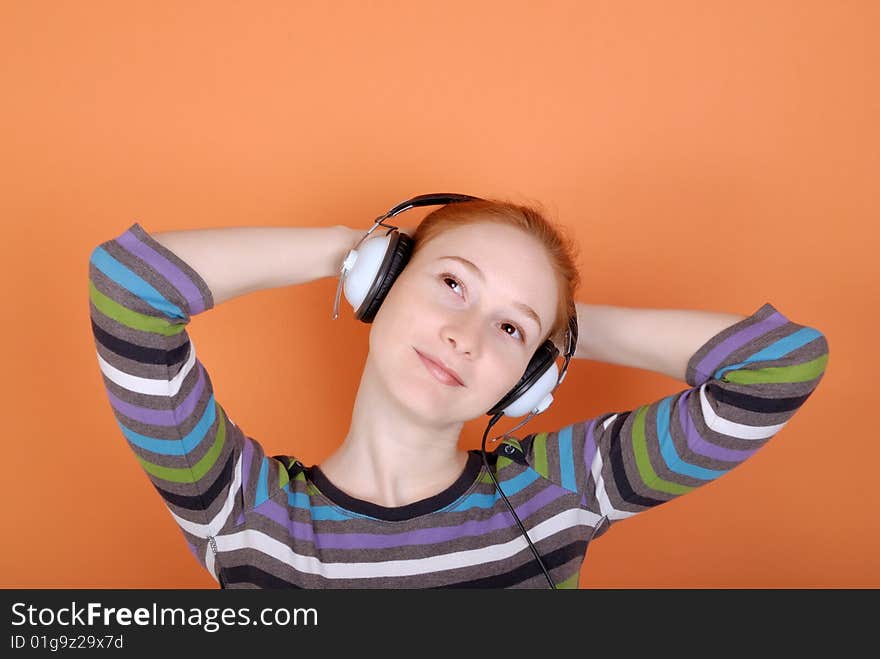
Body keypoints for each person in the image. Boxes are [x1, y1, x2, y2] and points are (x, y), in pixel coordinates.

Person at [87, 194, 829, 588]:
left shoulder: (557, 490)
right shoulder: (242, 508)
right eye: (450, 283)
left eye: (510, 330)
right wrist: (350, 251)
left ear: (531, 375)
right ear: (381, 283)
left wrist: (561, 331)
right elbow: (129, 286)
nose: (466, 336)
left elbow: (778, 365)